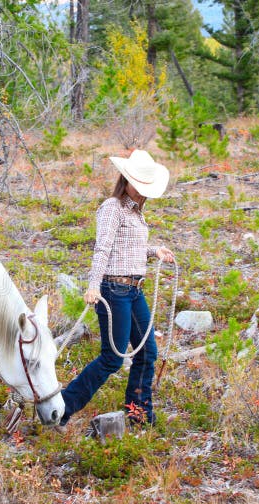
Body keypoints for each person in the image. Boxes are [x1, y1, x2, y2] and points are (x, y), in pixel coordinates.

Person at [60, 149, 175, 428]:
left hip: (134, 290)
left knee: (147, 353)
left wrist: (153, 250)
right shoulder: (112, 207)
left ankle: (139, 413)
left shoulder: (135, 212)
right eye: (138, 183)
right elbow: (103, 249)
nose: (142, 191)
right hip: (113, 290)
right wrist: (93, 286)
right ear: (126, 179)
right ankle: (63, 406)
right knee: (112, 358)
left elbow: (128, 248)